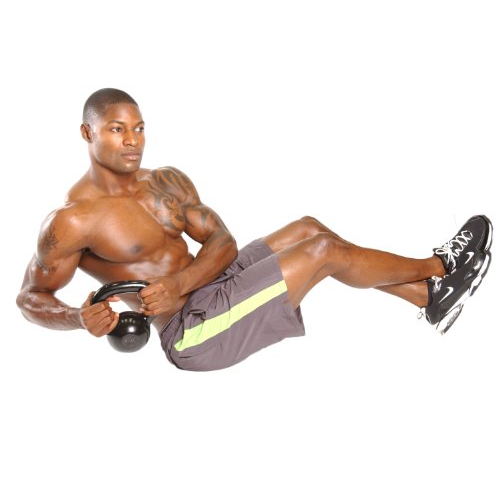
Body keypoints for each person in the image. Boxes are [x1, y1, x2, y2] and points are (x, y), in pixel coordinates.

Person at [16, 88, 493, 371]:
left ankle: (428, 299)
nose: (133, 141)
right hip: (191, 331)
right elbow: (30, 298)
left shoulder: (165, 182)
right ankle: (440, 266)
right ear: (87, 133)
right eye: (117, 129)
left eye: (139, 128)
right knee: (323, 250)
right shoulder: (73, 220)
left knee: (308, 228)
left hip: (207, 285)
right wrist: (78, 318)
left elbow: (222, 243)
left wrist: (180, 281)